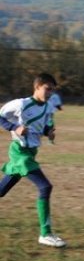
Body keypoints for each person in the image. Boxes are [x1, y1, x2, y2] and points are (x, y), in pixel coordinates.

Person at [0, 72, 66, 248]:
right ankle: (45, 234)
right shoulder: (21, 104)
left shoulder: (46, 107)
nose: (50, 93)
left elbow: (41, 126)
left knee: (1, 191)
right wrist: (14, 127)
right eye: (47, 89)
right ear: (37, 87)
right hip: (19, 153)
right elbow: (1, 116)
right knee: (45, 186)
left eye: (52, 90)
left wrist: (48, 132)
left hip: (30, 153)